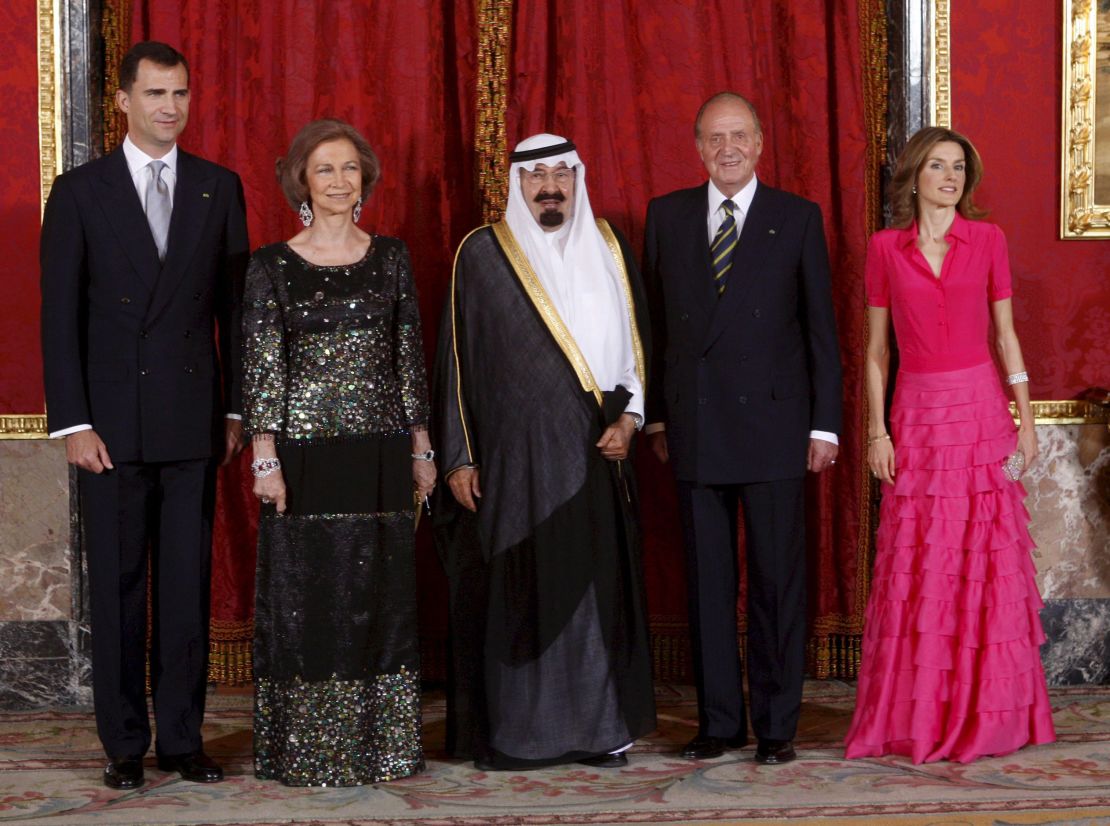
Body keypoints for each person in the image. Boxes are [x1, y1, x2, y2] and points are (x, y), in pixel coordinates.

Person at [39, 41, 248, 790]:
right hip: (110, 430)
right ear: (122, 100)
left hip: (193, 422)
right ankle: (124, 744)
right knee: (121, 590)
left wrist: (233, 408)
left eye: (182, 94)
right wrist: (73, 423)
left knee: (184, 590)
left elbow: (235, 312)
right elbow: (58, 319)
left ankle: (184, 740)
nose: (171, 108)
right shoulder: (80, 191)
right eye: (156, 93)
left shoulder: (218, 188)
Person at [433, 133, 656, 771]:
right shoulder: (481, 254)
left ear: (578, 179)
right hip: (511, 465)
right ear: (517, 184)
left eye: (562, 173)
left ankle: (598, 731)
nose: (550, 186)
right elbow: (454, 362)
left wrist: (634, 420)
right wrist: (459, 456)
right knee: (521, 589)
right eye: (537, 176)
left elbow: (638, 349)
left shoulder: (610, 247)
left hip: (595, 453)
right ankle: (521, 736)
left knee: (592, 593)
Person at [843, 127, 1056, 763]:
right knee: (923, 563)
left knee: (986, 558)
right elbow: (876, 352)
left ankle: (989, 715)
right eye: (937, 166)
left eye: (958, 167)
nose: (950, 177)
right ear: (913, 176)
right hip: (918, 416)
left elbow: (1007, 337)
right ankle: (920, 715)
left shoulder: (988, 240)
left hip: (981, 412)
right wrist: (876, 430)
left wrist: (1027, 417)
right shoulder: (884, 249)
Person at [643, 92, 842, 765]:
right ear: (697, 146)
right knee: (708, 584)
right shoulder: (666, 217)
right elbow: (657, 329)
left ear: (760, 143)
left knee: (776, 584)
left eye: (739, 136)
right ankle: (720, 722)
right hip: (696, 424)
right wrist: (659, 414)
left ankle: (777, 725)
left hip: (778, 428)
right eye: (713, 138)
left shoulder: (797, 217)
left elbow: (822, 331)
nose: (727, 149)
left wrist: (826, 427)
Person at [243, 119, 435, 786]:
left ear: (365, 180)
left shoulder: (392, 258)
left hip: (380, 451)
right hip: (303, 454)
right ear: (301, 179)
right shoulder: (270, 264)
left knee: (377, 595)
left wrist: (422, 445)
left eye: (349, 168)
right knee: (311, 593)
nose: (337, 181)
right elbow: (264, 368)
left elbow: (408, 356)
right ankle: (310, 750)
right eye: (324, 169)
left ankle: (382, 748)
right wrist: (264, 456)